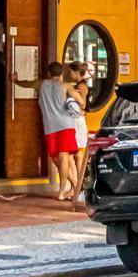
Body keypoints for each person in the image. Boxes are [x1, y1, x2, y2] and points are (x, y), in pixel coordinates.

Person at [39, 61, 79, 200]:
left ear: (49, 73)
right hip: (66, 124)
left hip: (50, 126)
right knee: (61, 157)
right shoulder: (66, 86)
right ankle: (73, 185)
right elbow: (81, 101)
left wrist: (15, 79)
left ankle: (66, 189)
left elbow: (26, 83)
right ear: (61, 73)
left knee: (57, 157)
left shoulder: (41, 84)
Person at [64, 62, 91, 202]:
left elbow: (82, 104)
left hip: (77, 122)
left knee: (75, 156)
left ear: (76, 73)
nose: (68, 74)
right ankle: (76, 186)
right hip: (77, 121)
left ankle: (78, 186)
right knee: (74, 155)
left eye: (70, 72)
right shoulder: (81, 85)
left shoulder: (80, 87)